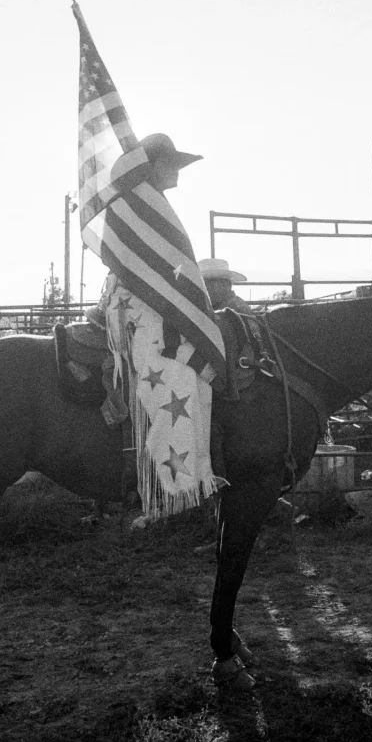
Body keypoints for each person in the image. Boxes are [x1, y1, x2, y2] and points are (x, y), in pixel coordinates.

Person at [101, 132, 227, 517]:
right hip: (140, 312)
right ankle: (176, 487)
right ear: (151, 168)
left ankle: (196, 476)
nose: (177, 173)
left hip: (137, 304)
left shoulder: (148, 206)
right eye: (171, 165)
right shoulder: (142, 207)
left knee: (191, 374)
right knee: (180, 375)